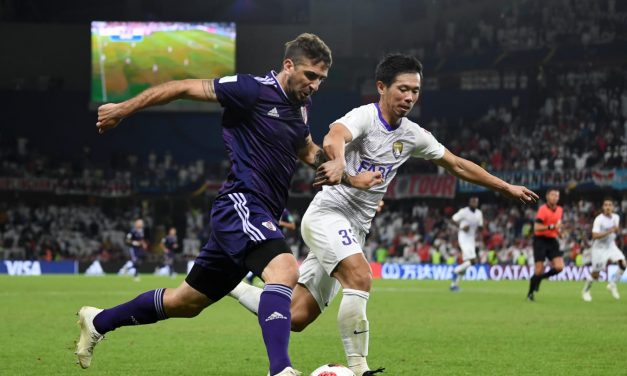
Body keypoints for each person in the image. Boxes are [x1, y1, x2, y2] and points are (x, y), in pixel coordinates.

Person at [75, 33, 376, 376]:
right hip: (241, 203)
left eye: (321, 79)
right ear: (288, 65)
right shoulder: (251, 89)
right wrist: (123, 109)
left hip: (256, 214)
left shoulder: (299, 108)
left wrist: (350, 177)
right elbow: (183, 87)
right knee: (285, 270)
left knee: (184, 303)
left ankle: (98, 320)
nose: (316, 85)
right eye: (310, 75)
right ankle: (281, 370)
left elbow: (307, 151)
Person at [229, 53, 538, 376]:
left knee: (297, 317)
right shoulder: (365, 117)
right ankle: (360, 368)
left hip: (356, 227)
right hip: (328, 215)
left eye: (415, 91)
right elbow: (335, 134)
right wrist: (338, 161)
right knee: (361, 276)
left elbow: (457, 164)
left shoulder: (412, 135)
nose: (409, 97)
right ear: (381, 87)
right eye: (402, 89)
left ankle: (232, 285)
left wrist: (504, 187)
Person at [582, 198, 625, 301]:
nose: (608, 207)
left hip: (611, 246)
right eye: (606, 205)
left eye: (610, 205)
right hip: (599, 248)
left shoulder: (616, 217)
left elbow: (616, 230)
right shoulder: (599, 219)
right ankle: (586, 290)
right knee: (596, 274)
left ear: (613, 207)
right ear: (603, 207)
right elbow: (595, 236)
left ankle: (612, 284)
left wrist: (615, 231)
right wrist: (610, 231)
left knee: (623, 264)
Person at [527, 188, 563, 301]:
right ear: (547, 196)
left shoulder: (560, 210)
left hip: (552, 240)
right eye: (552, 195)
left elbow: (558, 225)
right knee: (538, 269)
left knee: (559, 267)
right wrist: (551, 227)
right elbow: (536, 227)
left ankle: (540, 279)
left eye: (557, 195)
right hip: (540, 240)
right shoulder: (542, 210)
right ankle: (530, 294)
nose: (555, 197)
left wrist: (560, 233)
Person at [449, 196, 483, 291]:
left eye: (476, 202)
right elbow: (453, 219)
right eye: (472, 201)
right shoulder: (464, 211)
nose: (474, 203)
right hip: (463, 238)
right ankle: (455, 271)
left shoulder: (479, 213)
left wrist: (480, 229)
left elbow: (480, 227)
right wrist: (461, 227)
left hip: (472, 239)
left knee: (467, 264)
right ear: (469, 202)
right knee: (472, 261)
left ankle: (453, 285)